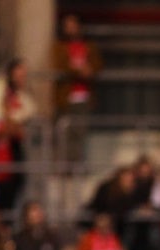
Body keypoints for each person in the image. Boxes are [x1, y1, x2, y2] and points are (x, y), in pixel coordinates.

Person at [0, 59, 37, 210]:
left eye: (24, 74)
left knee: (18, 179)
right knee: (1, 183)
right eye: (19, 73)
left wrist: (13, 121)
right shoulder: (0, 89)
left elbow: (30, 109)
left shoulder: (23, 92)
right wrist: (12, 122)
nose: (22, 77)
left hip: (15, 143)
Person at [53, 13, 103, 163]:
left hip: (84, 96)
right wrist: (79, 71)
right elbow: (59, 66)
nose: (71, 29)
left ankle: (77, 167)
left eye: (74, 25)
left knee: (80, 133)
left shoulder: (89, 46)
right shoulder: (59, 47)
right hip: (66, 96)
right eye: (68, 26)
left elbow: (97, 65)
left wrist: (90, 70)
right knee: (65, 133)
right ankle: (65, 169)